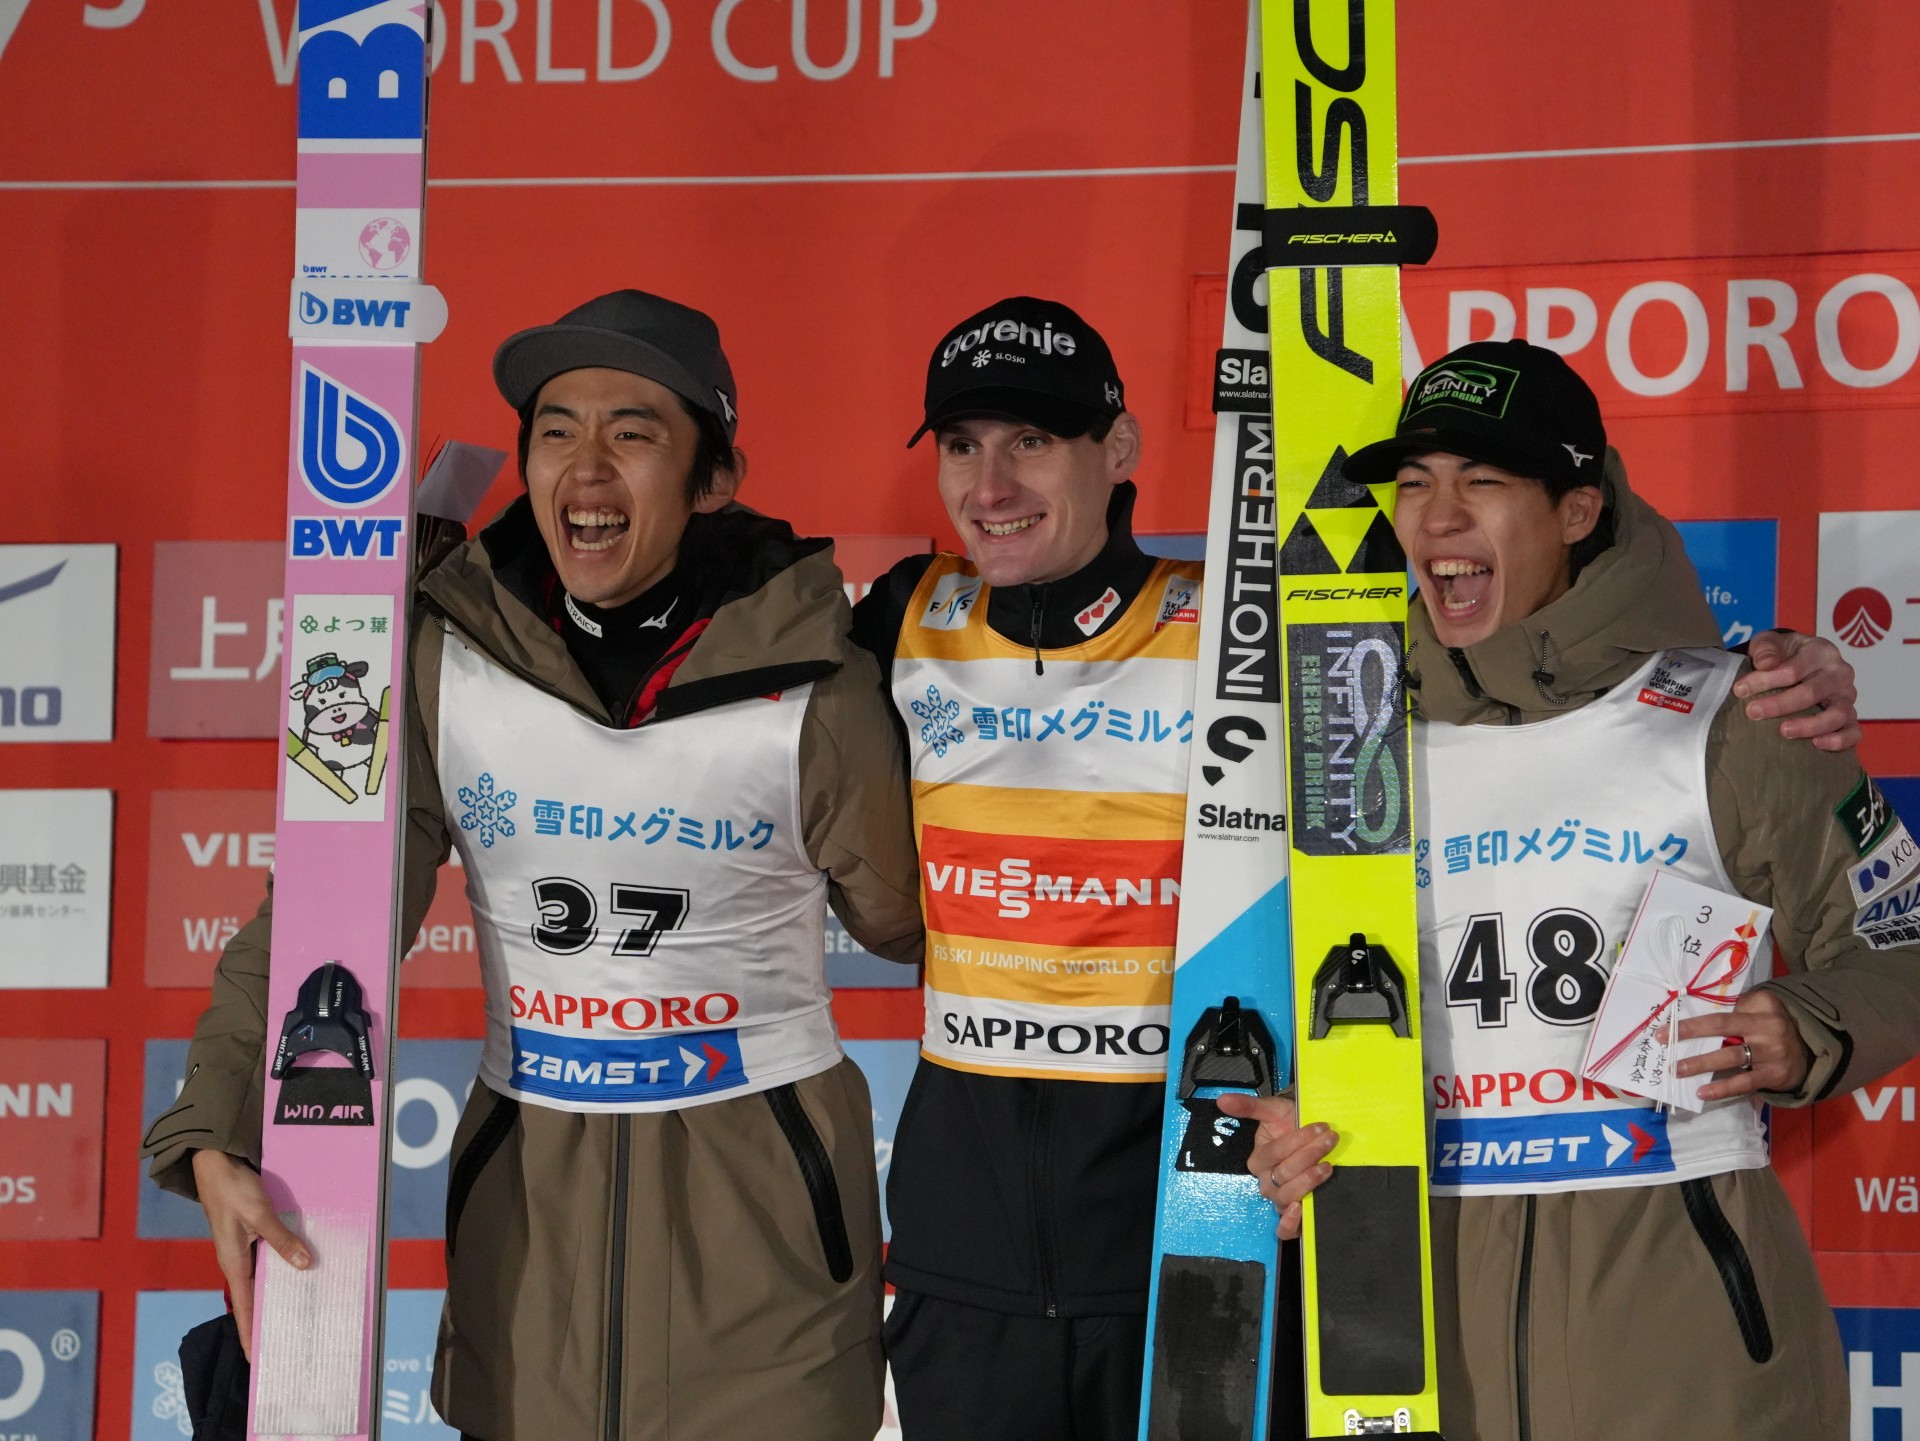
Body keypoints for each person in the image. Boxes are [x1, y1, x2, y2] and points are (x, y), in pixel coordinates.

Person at [851, 303, 1863, 1441]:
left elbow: (1876, 923)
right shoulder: (911, 621)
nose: (992, 482)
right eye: (962, 445)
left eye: (1031, 441)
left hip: (1264, 1243)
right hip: (1032, 1254)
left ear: (1118, 448)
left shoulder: (1274, 650)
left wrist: (1791, 671)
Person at [142, 289, 923, 1441]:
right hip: (525, 1268)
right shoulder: (437, 655)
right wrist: (220, 1127)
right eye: (557, 431)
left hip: (770, 1268)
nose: (586, 467)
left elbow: (908, 921)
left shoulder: (819, 676)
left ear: (715, 476)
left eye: (633, 431)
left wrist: (938, 716)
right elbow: (324, 913)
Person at [1245, 338, 1920, 1441]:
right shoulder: (1353, 740)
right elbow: (1302, 993)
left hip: (1684, 1329)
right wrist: (1299, 1125)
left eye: (1482, 481)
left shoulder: (1741, 716)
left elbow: (1900, 940)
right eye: (1414, 482)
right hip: (1416, 1321)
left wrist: (1806, 1025)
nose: (1438, 516)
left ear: (1576, 509)